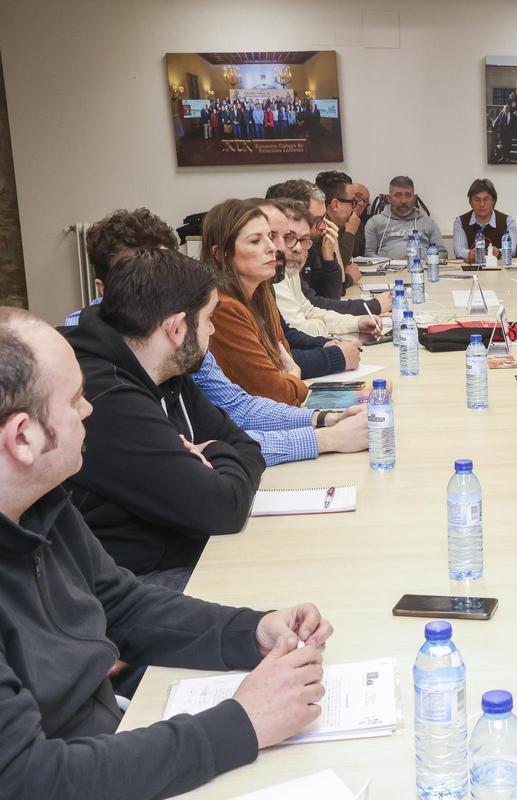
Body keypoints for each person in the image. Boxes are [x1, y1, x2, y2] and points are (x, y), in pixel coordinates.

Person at [0, 307, 334, 798]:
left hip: (111, 737)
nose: (90, 410)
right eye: (74, 401)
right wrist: (243, 722)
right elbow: (32, 779)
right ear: (23, 437)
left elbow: (123, 606)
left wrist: (252, 630)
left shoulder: (40, 500)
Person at [63, 208, 366, 469]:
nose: (159, 283)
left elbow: (236, 410)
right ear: (104, 290)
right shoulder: (85, 366)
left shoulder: (189, 326)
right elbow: (189, 462)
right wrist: (326, 436)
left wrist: (325, 420)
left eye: (166, 268)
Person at [63, 249, 265, 585]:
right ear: (176, 328)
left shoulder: (168, 370)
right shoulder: (107, 400)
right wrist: (215, 450)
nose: (212, 331)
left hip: (178, 552)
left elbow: (247, 445)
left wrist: (212, 451)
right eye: (209, 318)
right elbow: (223, 508)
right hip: (131, 586)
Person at [204, 199, 310, 406]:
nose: (272, 248)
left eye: (269, 237)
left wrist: (287, 378)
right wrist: (294, 378)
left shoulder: (262, 291)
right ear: (220, 253)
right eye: (255, 241)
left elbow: (283, 359)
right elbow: (278, 394)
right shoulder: (223, 308)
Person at [266, 180, 385, 318]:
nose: (323, 226)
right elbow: (314, 305)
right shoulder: (283, 256)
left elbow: (330, 296)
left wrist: (330, 256)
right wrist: (372, 306)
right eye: (316, 219)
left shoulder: (307, 244)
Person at [272, 199, 379, 338]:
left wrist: (356, 322)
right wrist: (322, 326)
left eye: (304, 239)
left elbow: (309, 311)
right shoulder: (273, 274)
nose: (298, 248)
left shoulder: (289, 268)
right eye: (289, 238)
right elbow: (298, 329)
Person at [364, 176, 445, 260]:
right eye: (398, 195)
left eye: (408, 195)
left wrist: (420, 261)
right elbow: (368, 255)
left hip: (421, 269)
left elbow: (442, 253)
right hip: (387, 271)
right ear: (388, 198)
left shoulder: (428, 222)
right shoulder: (375, 222)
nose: (403, 201)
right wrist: (393, 263)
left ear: (414, 198)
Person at [451, 178, 517, 262]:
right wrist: (470, 254)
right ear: (470, 203)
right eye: (477, 200)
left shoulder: (508, 221)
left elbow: (512, 250)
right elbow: (459, 250)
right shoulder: (460, 222)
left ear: (493, 201)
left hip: (500, 270)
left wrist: (499, 252)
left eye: (486, 199)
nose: (482, 204)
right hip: (471, 270)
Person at [314, 170, 361, 282]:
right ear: (335, 205)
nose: (354, 208)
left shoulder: (333, 224)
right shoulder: (321, 228)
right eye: (352, 202)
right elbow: (337, 271)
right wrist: (350, 232)